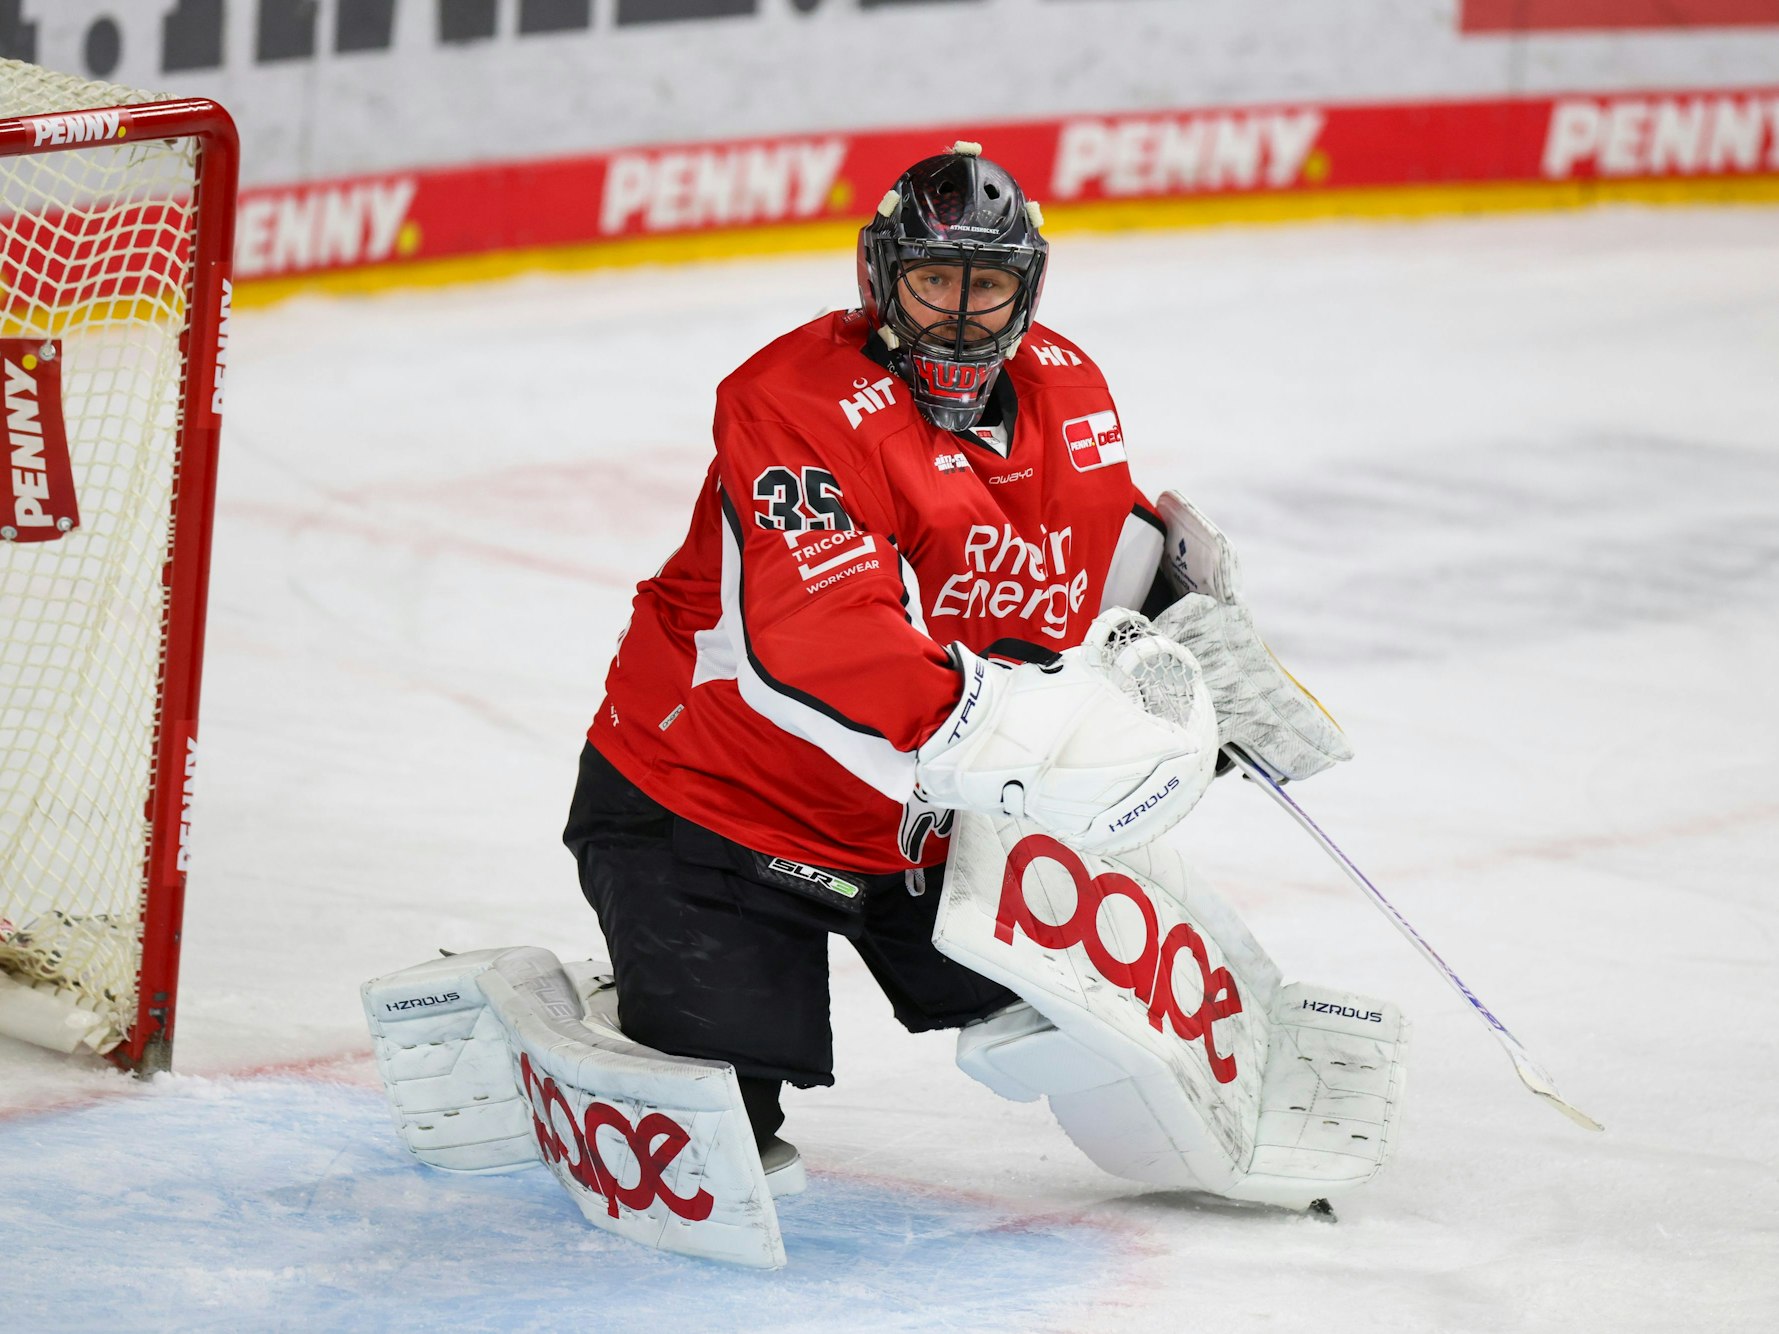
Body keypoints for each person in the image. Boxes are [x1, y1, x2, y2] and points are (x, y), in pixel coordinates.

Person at [562, 143, 1210, 1190]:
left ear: (1027, 287)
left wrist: (1186, 633)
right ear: (880, 278)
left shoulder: (1070, 388)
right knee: (723, 1144)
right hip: (717, 807)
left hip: (919, 824)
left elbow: (1081, 559)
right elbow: (820, 635)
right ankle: (631, 1003)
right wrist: (1019, 735)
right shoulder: (793, 403)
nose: (961, 314)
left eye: (987, 284)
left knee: (1090, 1032)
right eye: (934, 281)